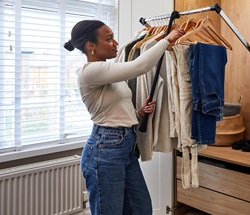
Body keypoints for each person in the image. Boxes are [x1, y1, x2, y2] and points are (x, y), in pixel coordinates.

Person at [63, 20, 185, 215]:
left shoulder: (107, 72)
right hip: (105, 151)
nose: (116, 43)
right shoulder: (90, 72)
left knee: (142, 209)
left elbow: (113, 109)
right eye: (109, 39)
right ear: (90, 46)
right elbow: (140, 66)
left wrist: (138, 113)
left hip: (124, 147)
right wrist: (166, 40)